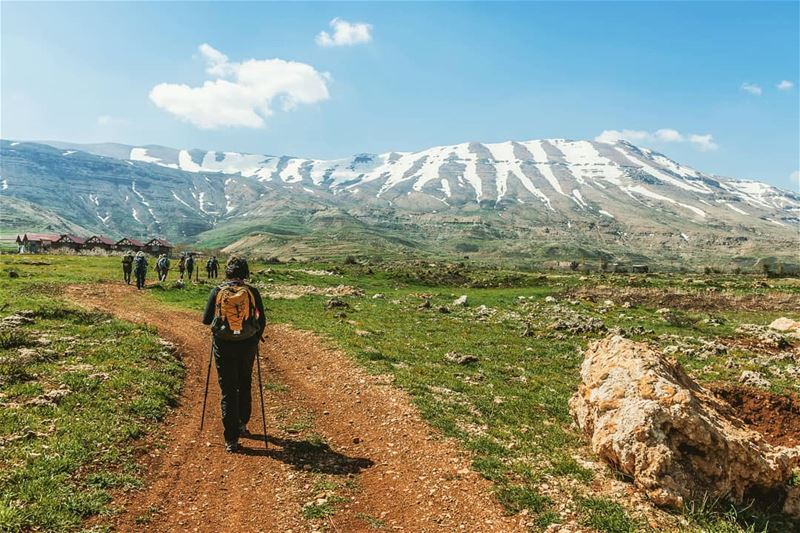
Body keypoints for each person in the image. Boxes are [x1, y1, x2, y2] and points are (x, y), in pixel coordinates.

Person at [202, 256, 266, 452]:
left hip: (224, 345)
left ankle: (231, 440)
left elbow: (206, 320)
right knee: (244, 382)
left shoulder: (218, 291)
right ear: (245, 274)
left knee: (228, 389)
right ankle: (242, 423)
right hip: (247, 345)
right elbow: (261, 321)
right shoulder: (252, 292)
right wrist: (254, 337)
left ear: (227, 272)